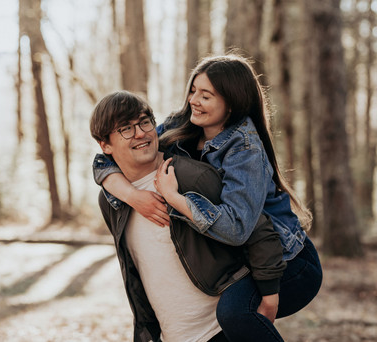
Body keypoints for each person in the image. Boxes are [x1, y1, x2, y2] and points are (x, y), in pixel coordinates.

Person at [94, 54, 323, 342]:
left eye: (206, 95)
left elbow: (240, 228)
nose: (194, 100)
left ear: (232, 103)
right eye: (193, 90)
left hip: (291, 261)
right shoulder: (183, 126)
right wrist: (132, 195)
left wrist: (174, 198)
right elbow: (107, 156)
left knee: (233, 313)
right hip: (256, 256)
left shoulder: (244, 148)